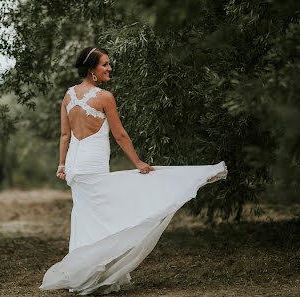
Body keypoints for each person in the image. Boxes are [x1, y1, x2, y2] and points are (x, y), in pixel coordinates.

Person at [39, 47, 228, 295]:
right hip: (94, 162)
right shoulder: (104, 96)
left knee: (88, 214)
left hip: (75, 166)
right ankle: (93, 272)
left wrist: (62, 164)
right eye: (105, 65)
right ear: (92, 70)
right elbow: (119, 134)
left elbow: (65, 134)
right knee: (101, 215)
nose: (109, 68)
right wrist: (137, 162)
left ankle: (85, 271)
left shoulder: (68, 95)